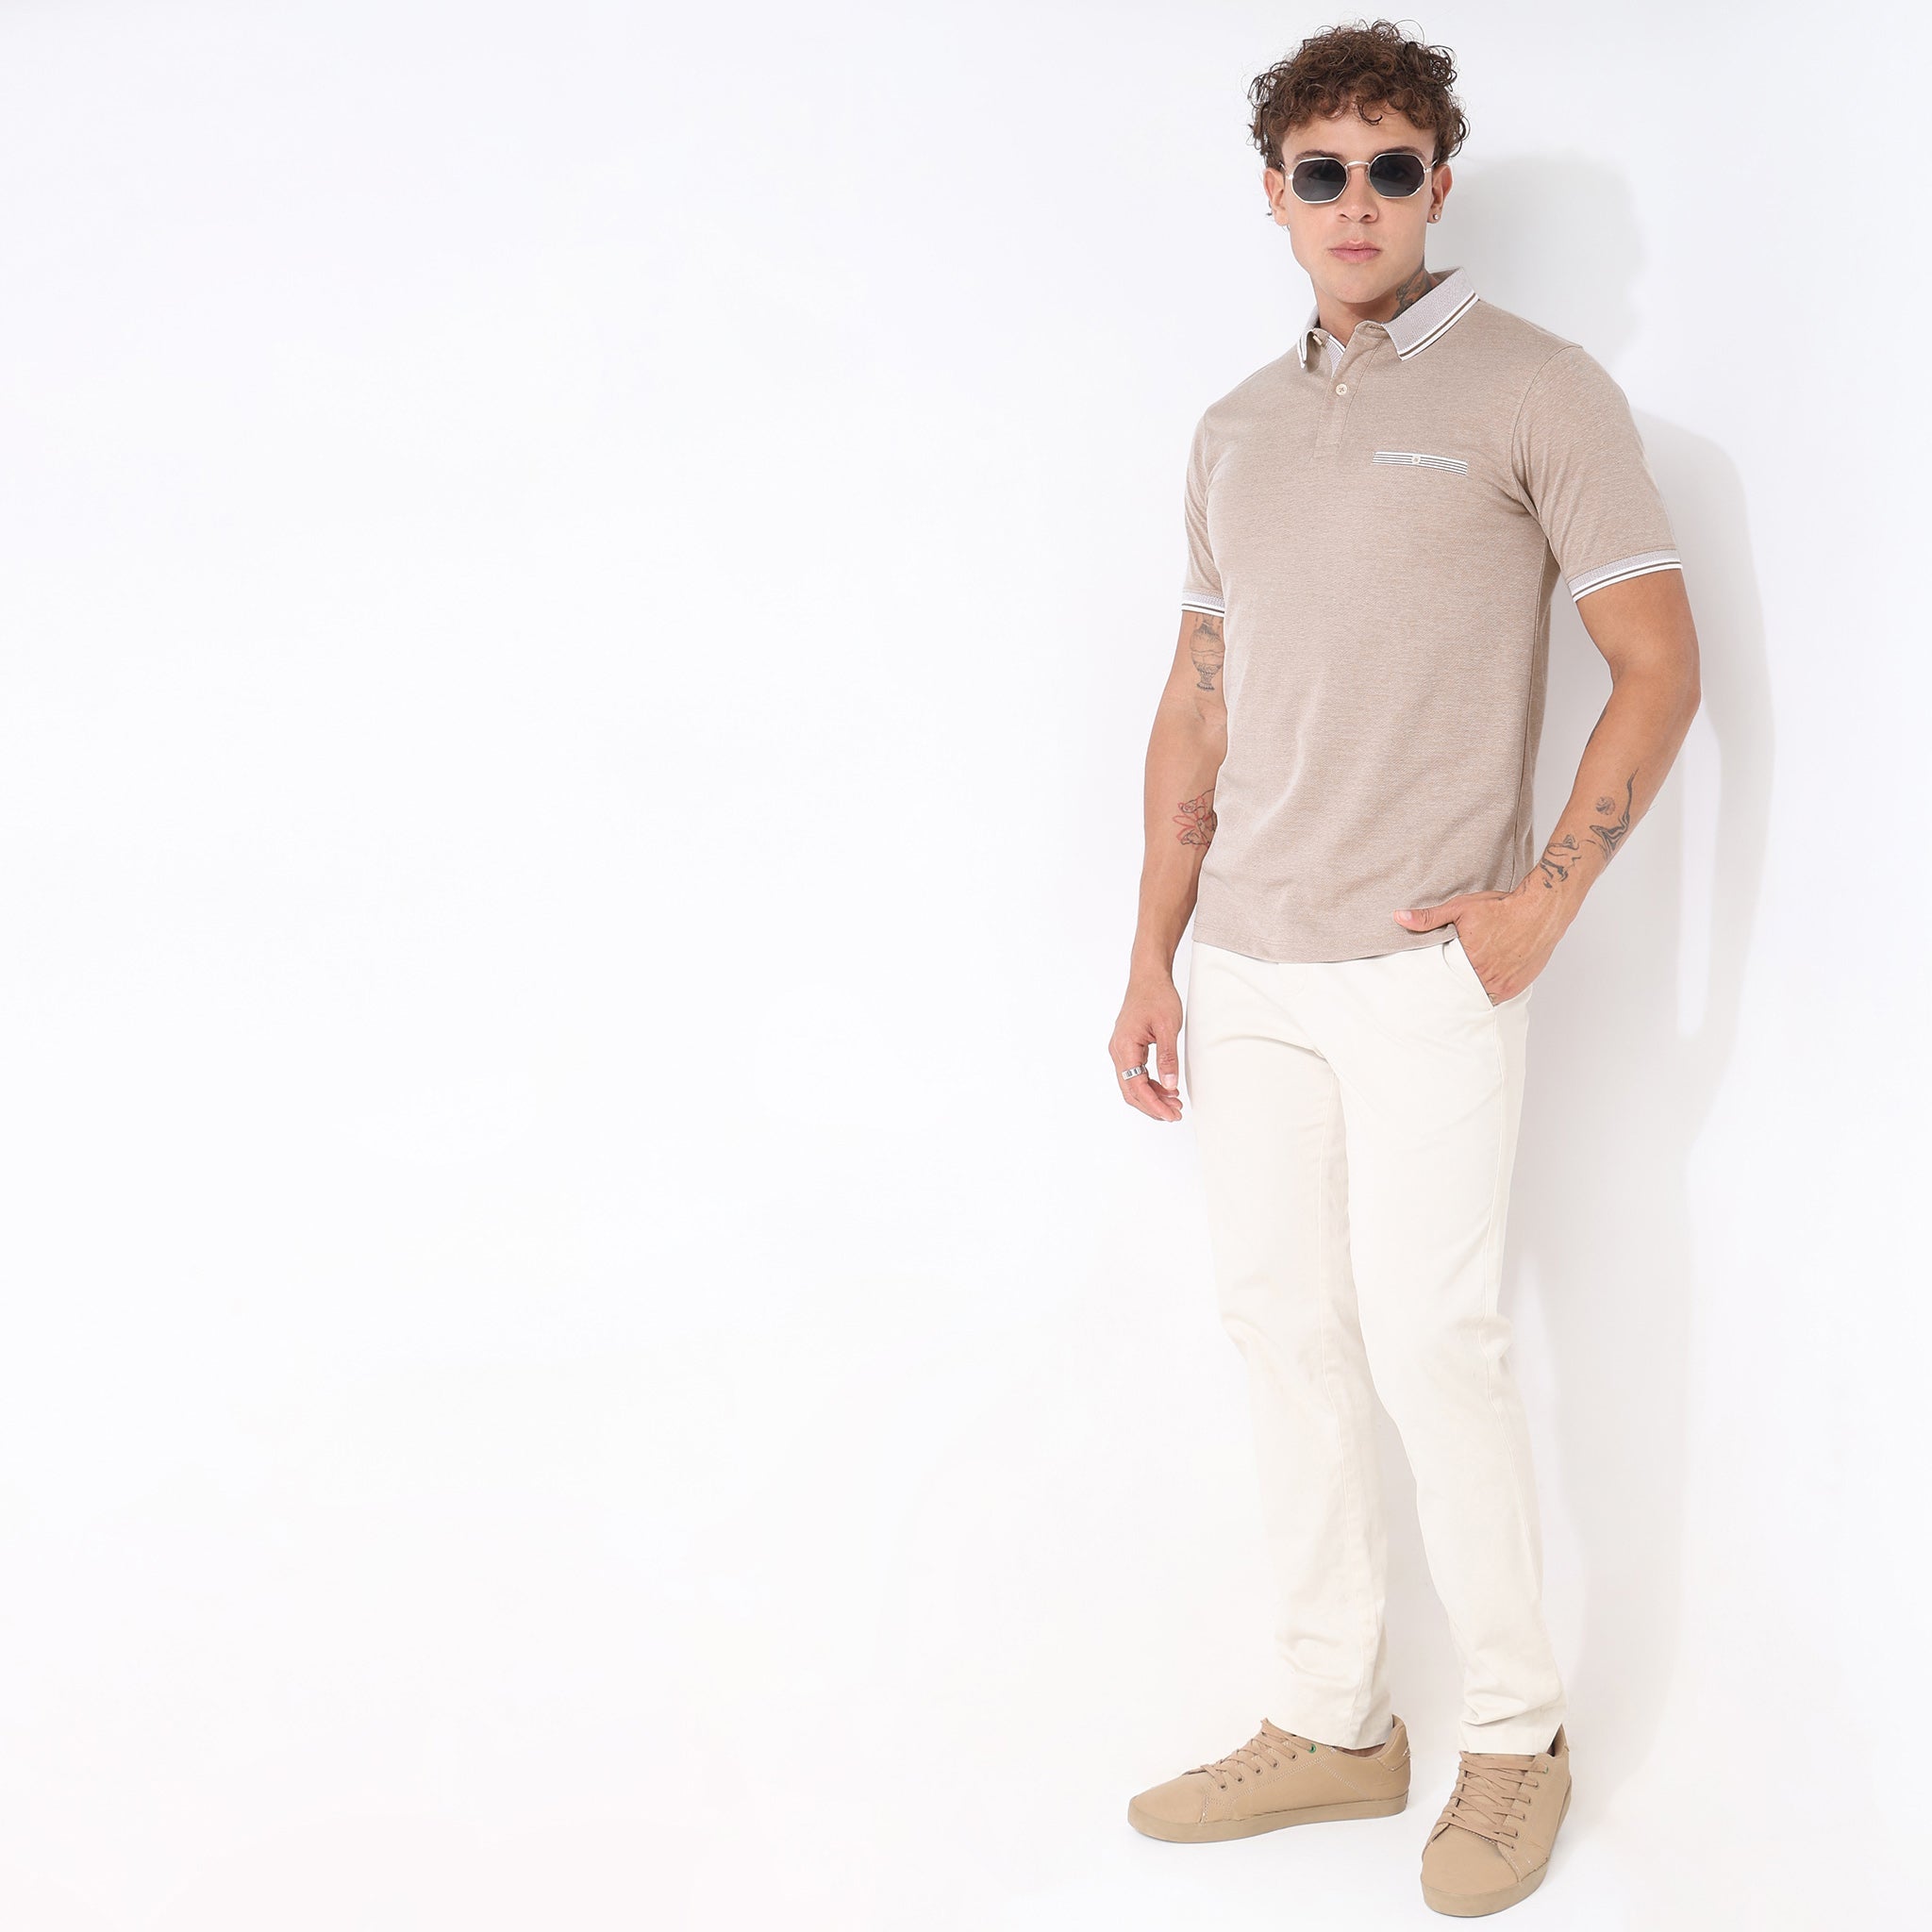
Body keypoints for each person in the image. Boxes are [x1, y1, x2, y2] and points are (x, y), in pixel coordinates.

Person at [1108, 20, 1702, 1918]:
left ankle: (1515, 1737)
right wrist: (1152, 951)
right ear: (1274, 196)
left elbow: (1659, 663)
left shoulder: (1539, 390)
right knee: (1284, 1332)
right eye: (1321, 173)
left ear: (1437, 185)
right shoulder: (1233, 429)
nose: (1354, 202)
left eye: (1388, 169)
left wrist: (1544, 904)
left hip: (1427, 961)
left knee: (1436, 1343)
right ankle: (1332, 1719)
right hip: (1249, 966)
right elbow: (1197, 703)